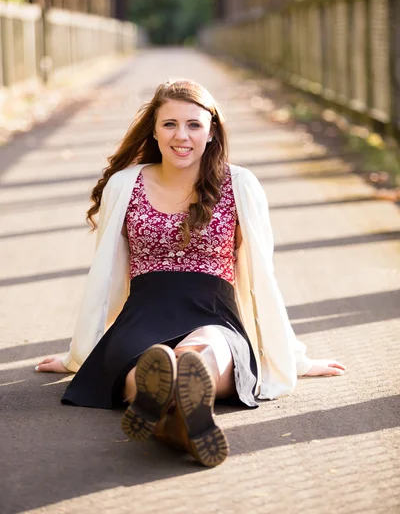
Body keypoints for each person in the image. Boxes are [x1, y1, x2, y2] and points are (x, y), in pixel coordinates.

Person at [35, 79, 345, 467]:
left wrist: (294, 357)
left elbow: (263, 275)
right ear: (154, 129)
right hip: (142, 316)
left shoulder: (240, 184)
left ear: (212, 130)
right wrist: (77, 352)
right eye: (169, 124)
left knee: (205, 351)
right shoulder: (124, 185)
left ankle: (168, 409)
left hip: (215, 315)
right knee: (149, 361)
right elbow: (104, 277)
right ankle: (180, 417)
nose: (181, 135)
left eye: (194, 125)